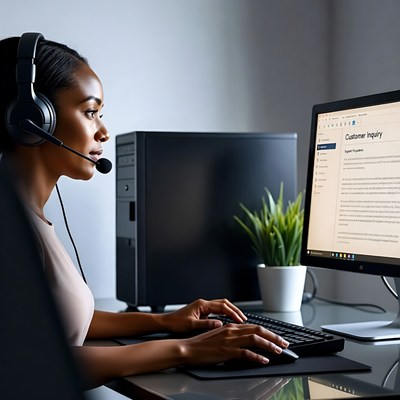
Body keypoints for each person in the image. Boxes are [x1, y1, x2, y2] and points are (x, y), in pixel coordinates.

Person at [0, 33, 289, 389]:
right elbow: (29, 361)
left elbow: (56, 319)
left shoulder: (29, 218)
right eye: (90, 112)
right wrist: (183, 350)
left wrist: (166, 323)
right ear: (31, 118)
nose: (104, 132)